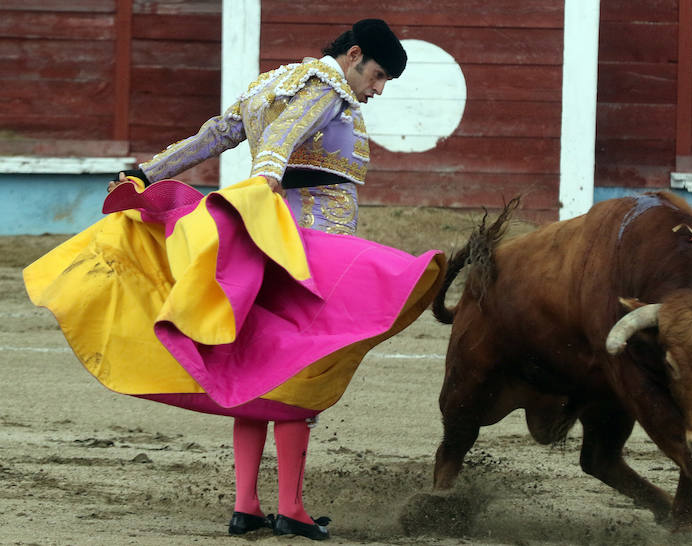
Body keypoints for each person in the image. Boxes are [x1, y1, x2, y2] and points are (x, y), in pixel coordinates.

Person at [24, 19, 445, 541]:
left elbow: (214, 136)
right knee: (302, 372)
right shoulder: (328, 87)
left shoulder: (268, 84)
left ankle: (247, 505)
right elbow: (287, 137)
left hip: (268, 245)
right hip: (314, 252)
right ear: (354, 55)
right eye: (377, 76)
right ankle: (290, 507)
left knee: (256, 371)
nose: (376, 90)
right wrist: (265, 181)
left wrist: (148, 174)